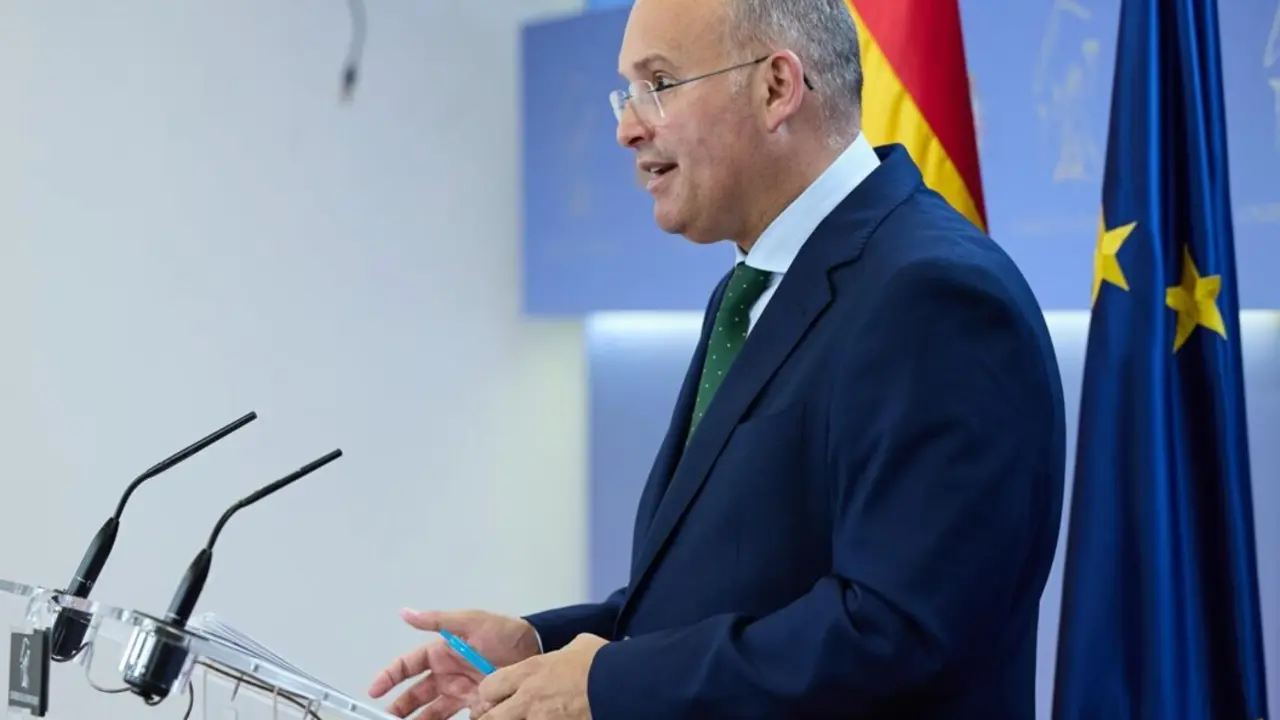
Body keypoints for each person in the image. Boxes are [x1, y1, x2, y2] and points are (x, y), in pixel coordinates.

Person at [368, 0, 1066, 716]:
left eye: (660, 83)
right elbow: (727, 592)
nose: (626, 126)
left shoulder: (934, 297)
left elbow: (895, 632)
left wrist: (609, 686)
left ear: (775, 88)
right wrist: (541, 652)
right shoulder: (753, 287)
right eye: (627, 90)